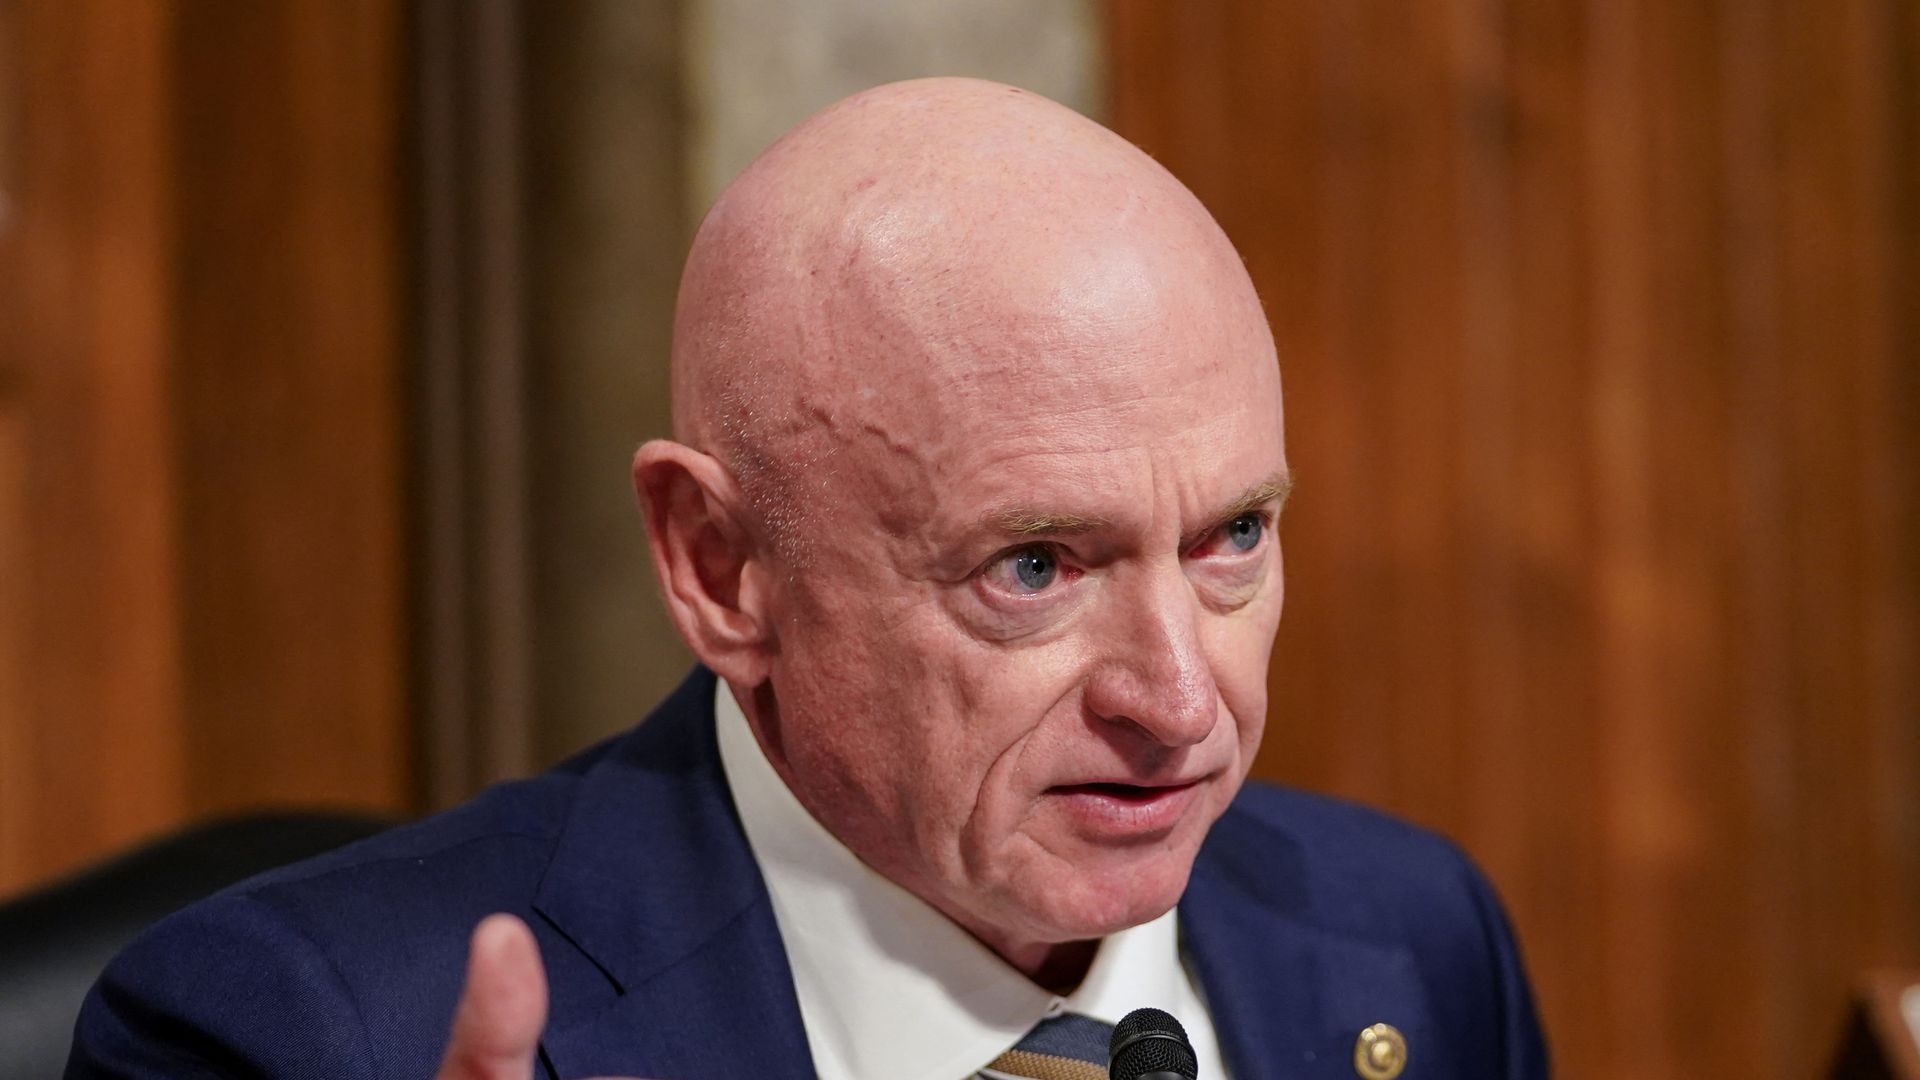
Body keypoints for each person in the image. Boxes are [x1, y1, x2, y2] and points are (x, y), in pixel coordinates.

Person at [67, 78, 1547, 1080]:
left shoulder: (1410, 938)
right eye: (1034, 566)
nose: (1180, 701)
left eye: (1233, 538)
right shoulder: (294, 1036)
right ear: (721, 569)